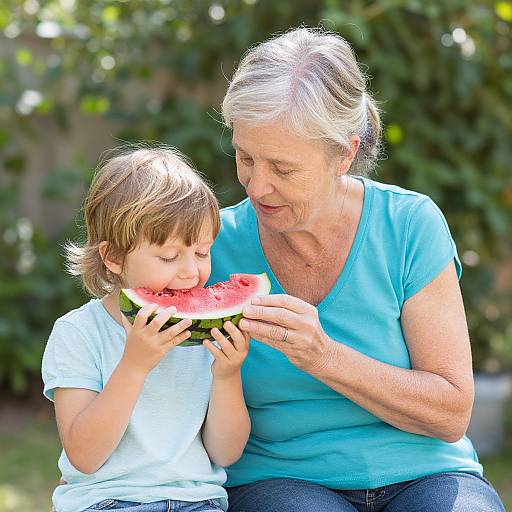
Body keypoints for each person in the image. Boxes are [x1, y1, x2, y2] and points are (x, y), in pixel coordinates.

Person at [206, 27, 505, 511]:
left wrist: (322, 354)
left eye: (283, 169)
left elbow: (451, 412)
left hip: (426, 473)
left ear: (344, 153)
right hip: (281, 480)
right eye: (245, 158)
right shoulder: (209, 245)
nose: (257, 186)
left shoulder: (409, 225)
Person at [41, 147, 251, 512]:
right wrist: (134, 365)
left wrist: (227, 375)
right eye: (169, 257)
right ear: (114, 257)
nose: (191, 271)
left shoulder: (205, 333)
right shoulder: (78, 333)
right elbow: (85, 456)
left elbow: (226, 452)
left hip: (198, 501)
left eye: (202, 252)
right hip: (106, 501)